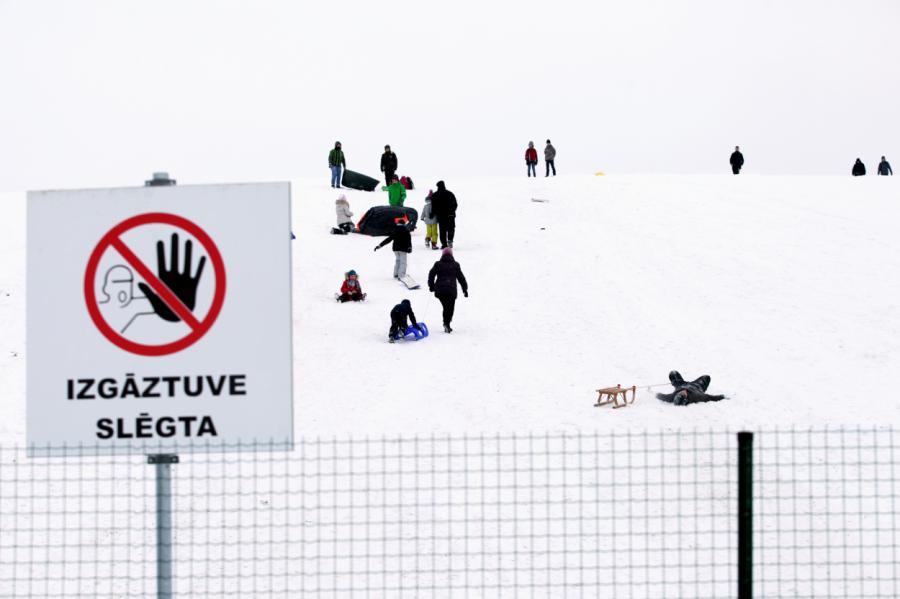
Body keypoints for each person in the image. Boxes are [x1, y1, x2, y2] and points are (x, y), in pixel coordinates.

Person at [428, 247, 468, 333]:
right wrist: (465, 289)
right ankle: (447, 323)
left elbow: (431, 274)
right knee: (449, 308)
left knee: (446, 307)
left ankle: (446, 323)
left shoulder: (438, 264)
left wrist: (431, 286)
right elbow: (461, 278)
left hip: (440, 290)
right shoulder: (455, 265)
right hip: (451, 290)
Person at [656, 371, 725, 405]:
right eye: (682, 394)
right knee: (706, 377)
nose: (682, 392)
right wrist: (722, 397)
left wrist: (655, 394)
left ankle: (682, 382)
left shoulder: (672, 397)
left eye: (679, 394)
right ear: (686, 398)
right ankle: (688, 383)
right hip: (697, 385)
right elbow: (710, 398)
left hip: (681, 385)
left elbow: (662, 396)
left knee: (673, 373)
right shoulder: (696, 396)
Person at [431, 180, 458, 249]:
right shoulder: (450, 193)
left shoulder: (435, 195)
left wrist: (433, 213)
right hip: (450, 215)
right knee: (451, 228)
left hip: (441, 216)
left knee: (442, 230)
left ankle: (444, 244)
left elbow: (433, 206)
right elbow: (455, 204)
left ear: (437, 186)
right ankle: (450, 240)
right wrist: (452, 211)